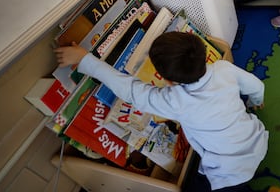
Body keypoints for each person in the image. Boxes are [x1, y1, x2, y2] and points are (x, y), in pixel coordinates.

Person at [54, 31, 268, 192]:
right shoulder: (223, 68)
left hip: (230, 173)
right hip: (255, 141)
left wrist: (84, 59)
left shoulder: (175, 101)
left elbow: (129, 90)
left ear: (168, 80)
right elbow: (257, 86)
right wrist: (255, 101)